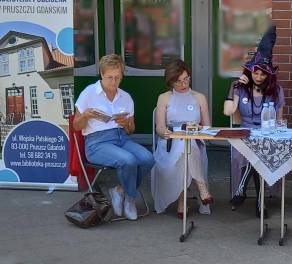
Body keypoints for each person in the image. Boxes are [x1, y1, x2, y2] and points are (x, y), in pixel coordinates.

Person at [73, 54, 155, 220]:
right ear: (102, 74)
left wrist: (125, 123)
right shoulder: (89, 93)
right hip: (96, 143)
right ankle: (131, 200)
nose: (113, 82)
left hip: (121, 138)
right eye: (109, 77)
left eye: (117, 77)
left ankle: (119, 191)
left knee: (148, 159)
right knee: (129, 160)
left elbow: (131, 130)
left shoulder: (125, 97)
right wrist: (86, 116)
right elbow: (76, 126)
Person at [223, 25, 285, 218]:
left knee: (259, 151)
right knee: (253, 152)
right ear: (249, 72)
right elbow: (228, 112)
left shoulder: (276, 91)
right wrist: (232, 87)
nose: (258, 77)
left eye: (262, 73)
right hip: (245, 134)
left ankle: (243, 190)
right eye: (255, 72)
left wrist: (278, 127)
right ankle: (259, 202)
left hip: (267, 135)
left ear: (269, 75)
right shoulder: (240, 89)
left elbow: (279, 119)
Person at [151, 59, 213, 218]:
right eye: (178, 81)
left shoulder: (199, 98)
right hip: (170, 143)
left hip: (194, 139)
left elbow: (208, 128)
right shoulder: (163, 98)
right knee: (184, 148)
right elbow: (159, 127)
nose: (183, 84)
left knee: (188, 145)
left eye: (186, 79)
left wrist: (199, 129)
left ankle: (182, 201)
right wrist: (164, 132)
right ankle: (201, 186)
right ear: (170, 82)